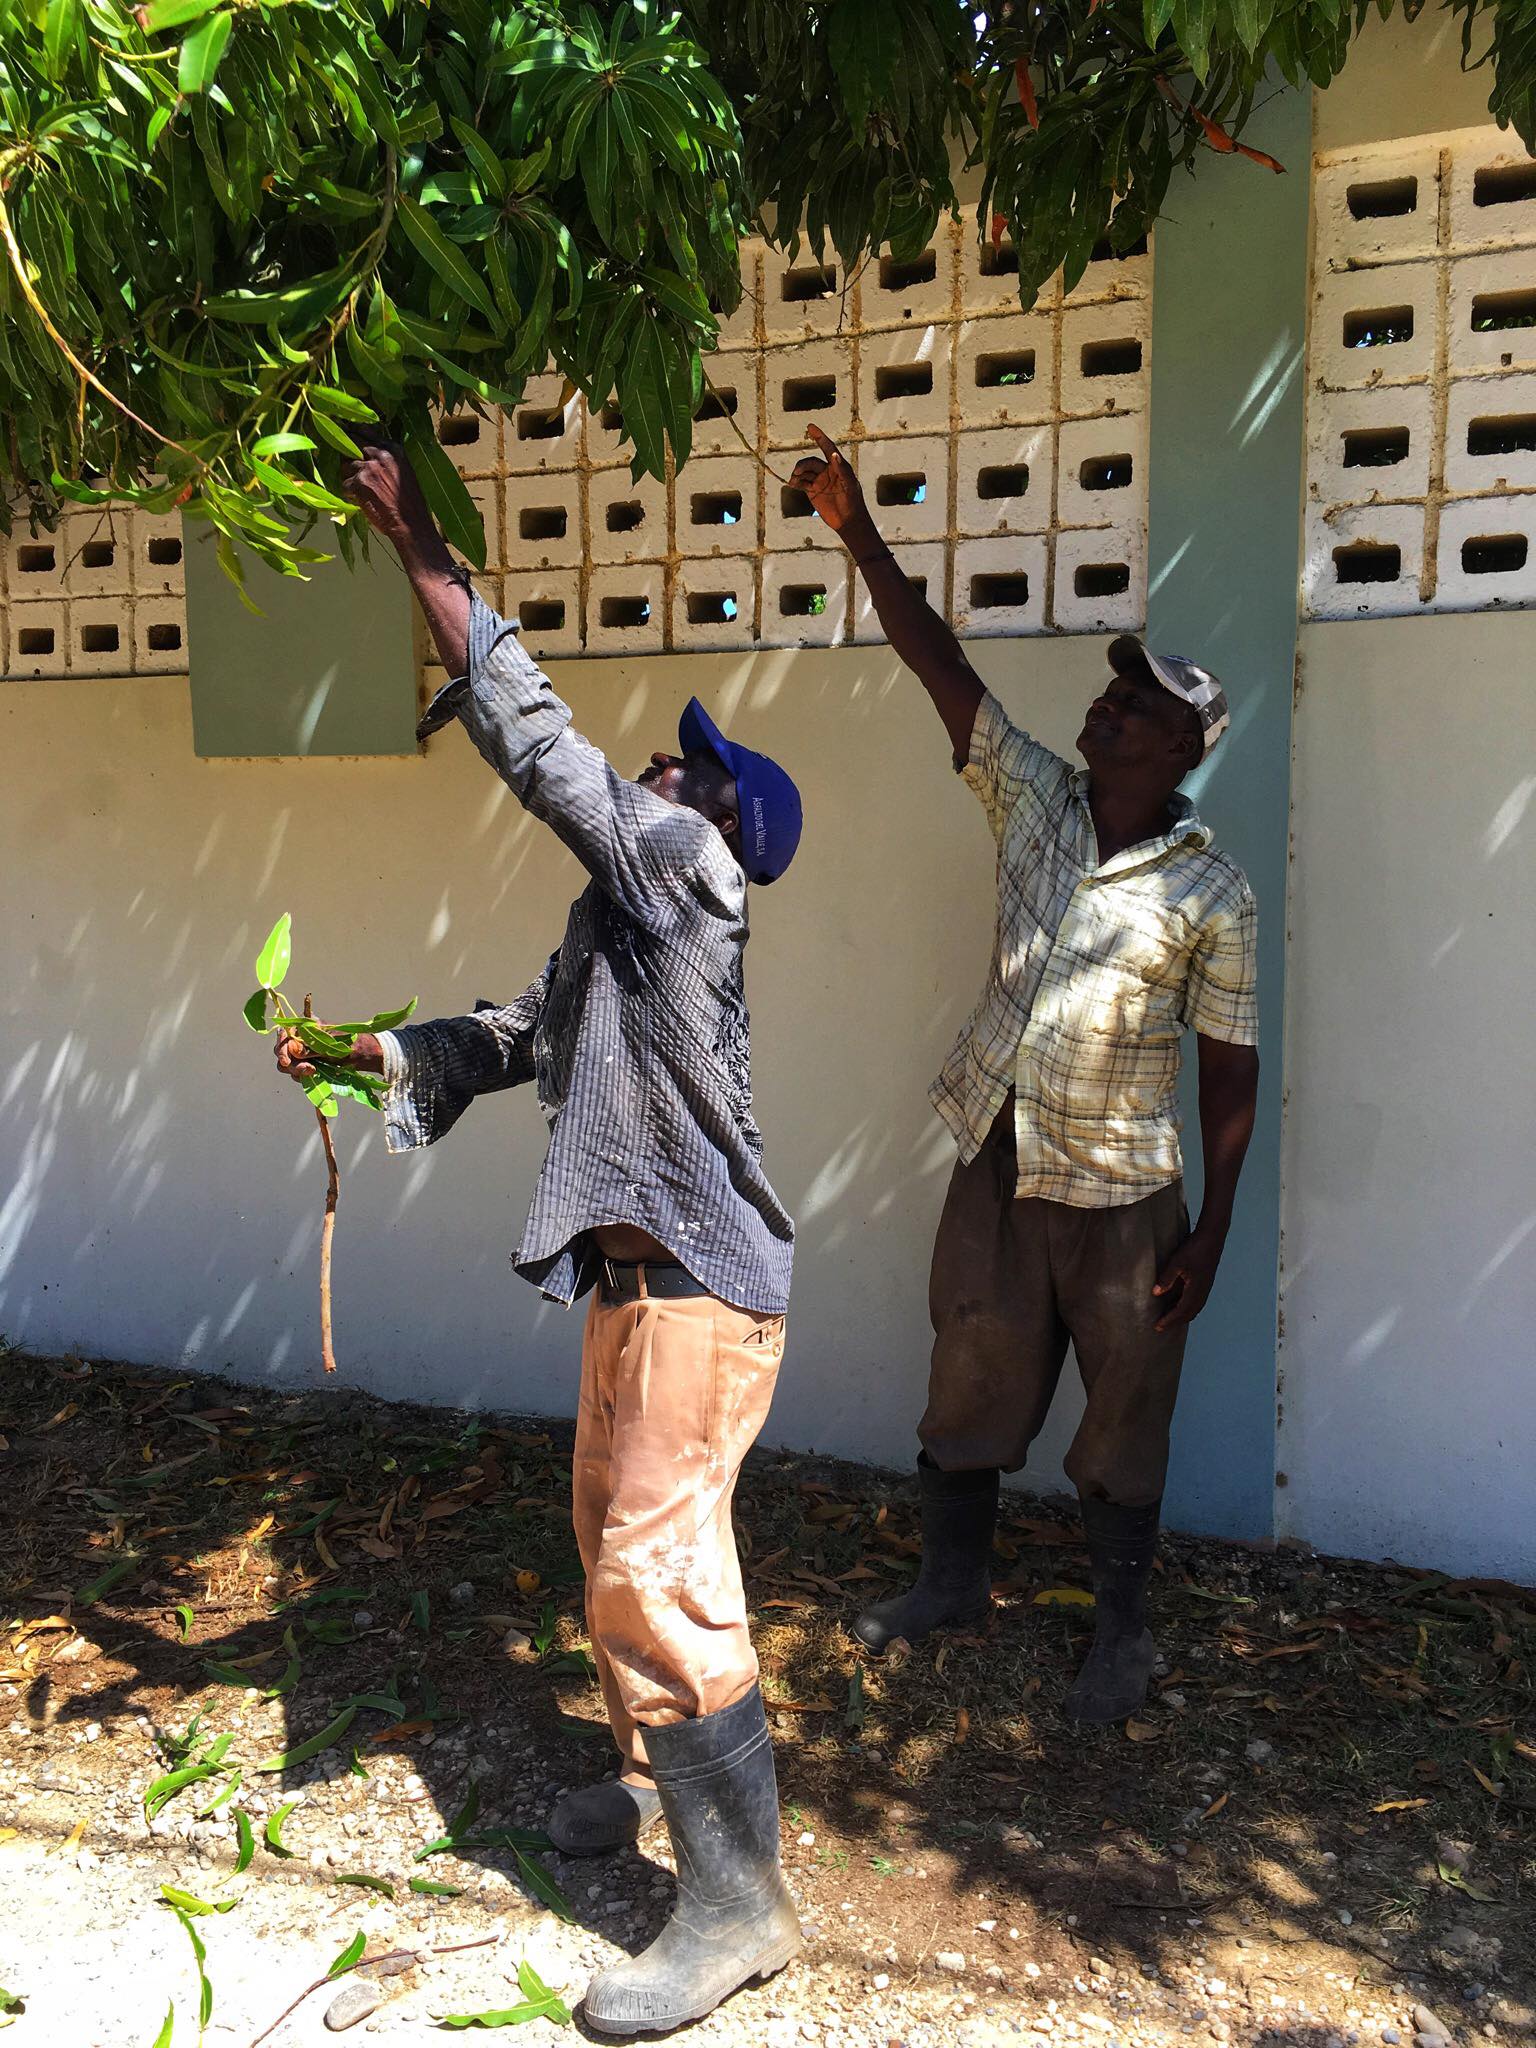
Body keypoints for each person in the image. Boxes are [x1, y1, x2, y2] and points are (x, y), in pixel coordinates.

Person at [271, 440, 804, 2034]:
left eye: (686, 759)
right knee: (615, 1555)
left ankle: (740, 1908)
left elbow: (545, 748)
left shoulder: (690, 876)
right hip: (634, 1293)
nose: (658, 760)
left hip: (701, 1296)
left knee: (661, 1569)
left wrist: (422, 543)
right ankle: (656, 1792)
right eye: (670, 758)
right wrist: (363, 1054)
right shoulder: (612, 941)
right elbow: (508, 1038)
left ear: (723, 822)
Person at [789, 423, 1260, 1725]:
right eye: (1110, 694)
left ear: (1178, 750)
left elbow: (1229, 1066)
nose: (1105, 706)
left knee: (1124, 1411)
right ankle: (953, 1583)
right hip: (998, 1157)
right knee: (973, 1375)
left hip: (1121, 1193)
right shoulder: (1037, 801)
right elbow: (940, 665)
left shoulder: (1212, 891)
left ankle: (1122, 1638)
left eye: (1135, 705)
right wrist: (854, 528)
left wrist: (1214, 1230)